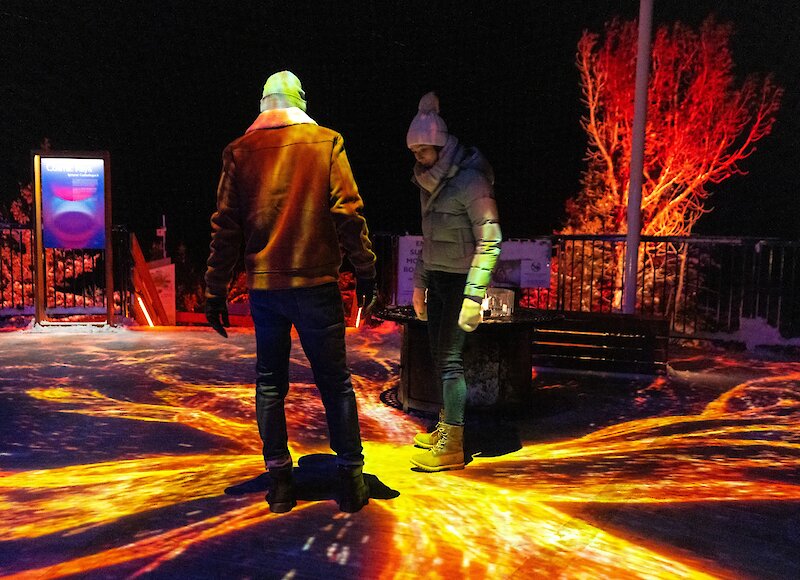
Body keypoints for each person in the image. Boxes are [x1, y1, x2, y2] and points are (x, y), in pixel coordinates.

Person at [204, 71, 376, 513]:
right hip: (317, 283)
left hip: (266, 287)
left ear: (263, 105)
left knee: (269, 383)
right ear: (301, 101)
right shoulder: (326, 142)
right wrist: (365, 268)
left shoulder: (239, 152)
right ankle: (352, 479)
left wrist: (215, 288)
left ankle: (281, 483)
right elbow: (348, 211)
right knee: (335, 383)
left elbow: (226, 227)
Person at [407, 92, 502, 472]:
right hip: (440, 282)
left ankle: (453, 444)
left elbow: (490, 238)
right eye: (415, 152)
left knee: (449, 361)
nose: (418, 159)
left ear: (440, 146)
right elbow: (429, 238)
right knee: (439, 358)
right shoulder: (429, 182)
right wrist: (419, 282)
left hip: (462, 281)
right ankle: (447, 425)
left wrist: (474, 295)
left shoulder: (470, 181)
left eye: (424, 152)